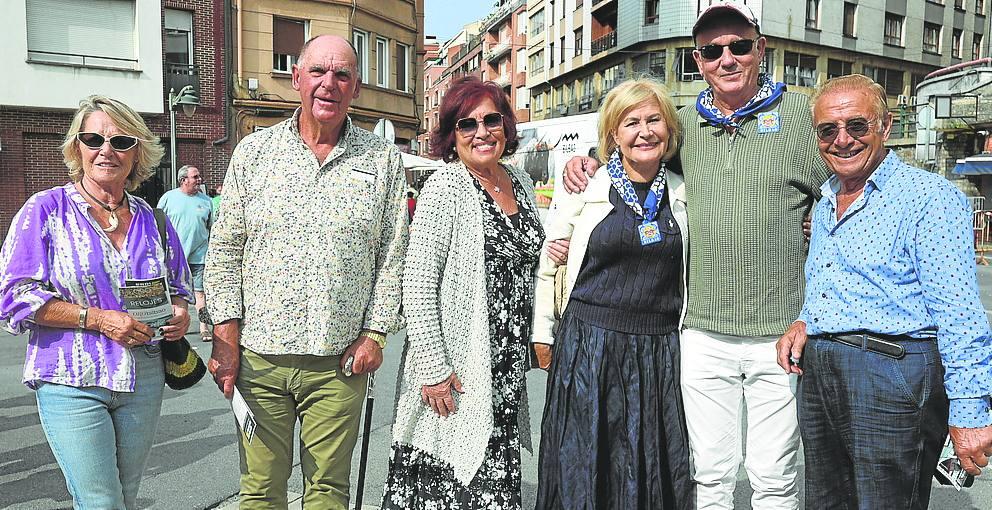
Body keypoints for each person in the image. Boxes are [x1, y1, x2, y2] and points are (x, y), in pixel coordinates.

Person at [556, 3, 830, 508]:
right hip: (702, 333)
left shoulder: (800, 116)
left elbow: (841, 200)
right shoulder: (685, 126)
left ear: (760, 49)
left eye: (739, 46)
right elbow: (638, 148)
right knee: (708, 474)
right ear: (698, 60)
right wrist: (587, 160)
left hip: (779, 334)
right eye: (712, 51)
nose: (726, 58)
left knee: (774, 475)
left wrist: (817, 310)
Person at [203, 34, 408, 509]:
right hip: (259, 360)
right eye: (318, 71)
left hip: (340, 362)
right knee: (259, 491)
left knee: (327, 492)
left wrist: (376, 334)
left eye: (341, 74)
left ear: (355, 87)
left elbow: (393, 255)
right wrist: (225, 339)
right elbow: (226, 250)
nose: (328, 84)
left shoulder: (382, 160)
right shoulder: (255, 153)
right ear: (297, 78)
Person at [775, 74, 992, 508]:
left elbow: (960, 313)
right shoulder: (825, 201)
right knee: (826, 502)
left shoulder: (929, 197)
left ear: (885, 126)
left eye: (857, 126)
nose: (843, 140)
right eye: (828, 130)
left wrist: (970, 411)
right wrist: (805, 320)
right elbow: (836, 279)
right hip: (822, 373)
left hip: (893, 372)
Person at [0, 95, 194, 509]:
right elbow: (14, 298)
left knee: (124, 495)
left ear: (137, 151)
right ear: (77, 148)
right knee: (100, 501)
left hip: (143, 375)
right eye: (93, 139)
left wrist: (178, 313)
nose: (106, 150)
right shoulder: (45, 210)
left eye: (120, 141)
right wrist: (98, 319)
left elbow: (177, 285)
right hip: (72, 376)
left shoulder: (152, 217)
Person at [381, 76, 544, 509]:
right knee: (450, 483)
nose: (481, 132)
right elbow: (418, 285)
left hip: (504, 369)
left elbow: (534, 256)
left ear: (507, 125)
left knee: (493, 482)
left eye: (491, 119)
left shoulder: (521, 183)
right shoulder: (446, 187)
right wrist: (433, 368)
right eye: (466, 124)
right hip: (457, 367)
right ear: (452, 135)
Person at [532, 78, 691, 509]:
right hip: (589, 345)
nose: (644, 131)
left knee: (648, 464)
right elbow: (550, 262)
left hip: (658, 351)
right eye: (631, 122)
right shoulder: (586, 186)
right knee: (584, 464)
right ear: (613, 135)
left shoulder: (683, 190)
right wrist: (543, 334)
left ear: (669, 129)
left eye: (654, 120)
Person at [158, 164, 213, 341]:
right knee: (170, 293)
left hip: (199, 256)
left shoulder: (207, 201)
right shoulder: (168, 198)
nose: (199, 180)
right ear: (183, 180)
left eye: (198, 177)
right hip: (173, 258)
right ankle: (170, 327)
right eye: (195, 177)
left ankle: (204, 328)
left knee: (200, 293)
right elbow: (157, 223)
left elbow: (212, 227)